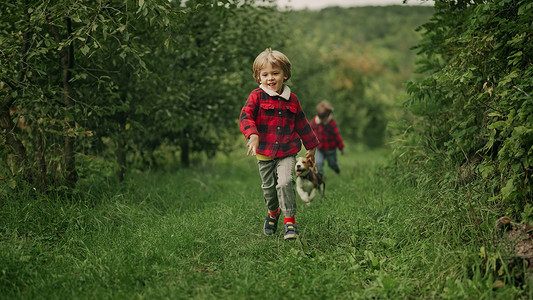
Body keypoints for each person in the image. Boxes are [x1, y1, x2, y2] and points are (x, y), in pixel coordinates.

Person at [239, 49, 319, 240]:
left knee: (284, 182)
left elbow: (302, 122)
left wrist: (311, 145)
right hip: (264, 152)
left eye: (275, 73)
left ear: (285, 74)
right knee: (269, 188)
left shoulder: (292, 100)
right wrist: (252, 135)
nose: (270, 78)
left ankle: (289, 221)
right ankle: (273, 212)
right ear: (258, 77)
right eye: (265, 74)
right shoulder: (256, 96)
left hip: (286, 151)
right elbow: (245, 115)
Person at [310, 100, 344, 175]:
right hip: (319, 148)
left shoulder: (331, 123)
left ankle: (336, 168)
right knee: (318, 163)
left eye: (324, 119)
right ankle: (321, 178)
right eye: (321, 119)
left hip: (330, 149)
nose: (322, 121)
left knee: (332, 164)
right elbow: (309, 131)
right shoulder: (315, 122)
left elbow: (337, 136)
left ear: (328, 116)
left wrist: (341, 147)